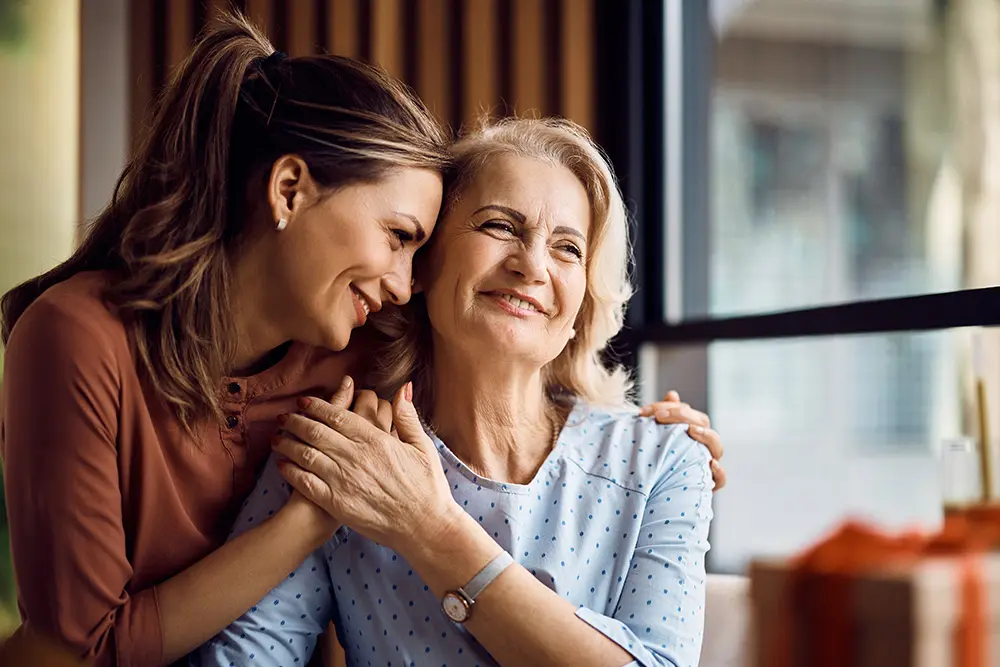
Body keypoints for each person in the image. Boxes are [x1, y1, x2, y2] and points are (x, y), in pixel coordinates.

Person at [0, 14, 720, 667]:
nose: (402, 282)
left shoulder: (653, 460)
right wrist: (315, 517)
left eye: (568, 247)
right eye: (498, 225)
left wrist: (661, 439)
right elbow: (117, 647)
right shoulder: (345, 423)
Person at [0, 13, 449, 666]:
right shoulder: (76, 339)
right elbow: (87, 647)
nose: (405, 285)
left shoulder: (360, 365)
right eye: (399, 237)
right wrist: (303, 521)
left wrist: (645, 423)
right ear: (289, 189)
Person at [196, 118, 715, 667]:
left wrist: (430, 529)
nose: (531, 265)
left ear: (582, 304)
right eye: (500, 226)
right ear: (424, 264)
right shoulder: (345, 450)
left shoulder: (665, 460)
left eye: (567, 248)